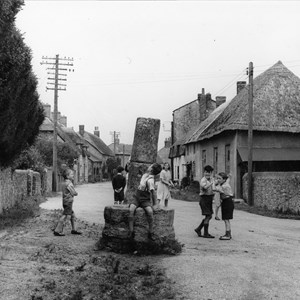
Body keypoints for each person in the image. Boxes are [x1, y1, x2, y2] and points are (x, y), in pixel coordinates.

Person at [128, 163, 162, 241]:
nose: (149, 166)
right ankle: (131, 231)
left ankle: (150, 232)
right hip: (137, 197)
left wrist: (155, 204)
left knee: (150, 212)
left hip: (145, 199)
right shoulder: (146, 174)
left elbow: (153, 193)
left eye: (150, 166)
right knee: (131, 210)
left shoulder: (150, 180)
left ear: (151, 169)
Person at [53, 168, 81, 236]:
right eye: (72, 174)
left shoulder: (64, 183)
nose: (73, 175)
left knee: (72, 215)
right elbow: (73, 192)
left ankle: (74, 229)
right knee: (65, 216)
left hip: (65, 201)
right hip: (69, 202)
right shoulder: (69, 184)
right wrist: (76, 193)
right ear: (68, 176)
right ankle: (57, 230)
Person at [194, 165, 215, 238]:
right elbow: (205, 187)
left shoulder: (211, 179)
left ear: (211, 173)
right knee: (208, 215)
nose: (207, 174)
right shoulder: (203, 180)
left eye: (209, 172)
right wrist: (211, 183)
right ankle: (205, 233)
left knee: (209, 215)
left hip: (209, 198)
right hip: (204, 199)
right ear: (204, 172)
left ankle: (198, 229)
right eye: (206, 172)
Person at [213, 172, 234, 240]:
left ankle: (228, 234)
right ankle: (228, 233)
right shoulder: (225, 183)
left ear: (224, 179)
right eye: (217, 178)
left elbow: (215, 189)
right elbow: (228, 180)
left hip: (227, 202)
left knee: (226, 219)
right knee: (226, 219)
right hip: (227, 201)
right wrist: (229, 177)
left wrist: (214, 183)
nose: (218, 180)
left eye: (219, 178)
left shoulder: (223, 186)